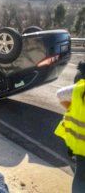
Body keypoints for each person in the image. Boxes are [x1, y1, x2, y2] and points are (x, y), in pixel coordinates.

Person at [56, 61, 85, 193]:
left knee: (80, 175)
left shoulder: (78, 88)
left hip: (79, 144)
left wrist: (71, 107)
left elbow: (61, 94)